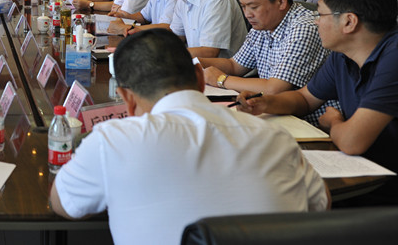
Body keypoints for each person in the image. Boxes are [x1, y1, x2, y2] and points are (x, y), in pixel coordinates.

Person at [50, 29, 328, 245]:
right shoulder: (275, 137)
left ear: (126, 99)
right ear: (199, 76)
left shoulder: (112, 141)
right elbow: (321, 202)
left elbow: (63, 204)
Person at [238, 0, 398, 203]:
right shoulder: (342, 55)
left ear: (349, 21)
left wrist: (333, 121)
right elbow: (305, 98)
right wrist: (265, 102)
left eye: (321, 14)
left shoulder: (393, 56)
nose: (316, 21)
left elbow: (352, 142)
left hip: (386, 189)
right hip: (364, 170)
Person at [197, 0, 331, 125]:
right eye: (243, 7)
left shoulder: (304, 27)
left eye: (253, 7)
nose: (247, 14)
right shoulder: (263, 24)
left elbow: (275, 88)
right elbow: (234, 65)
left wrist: (221, 80)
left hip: (312, 123)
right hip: (273, 113)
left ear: (281, 2)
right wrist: (194, 63)